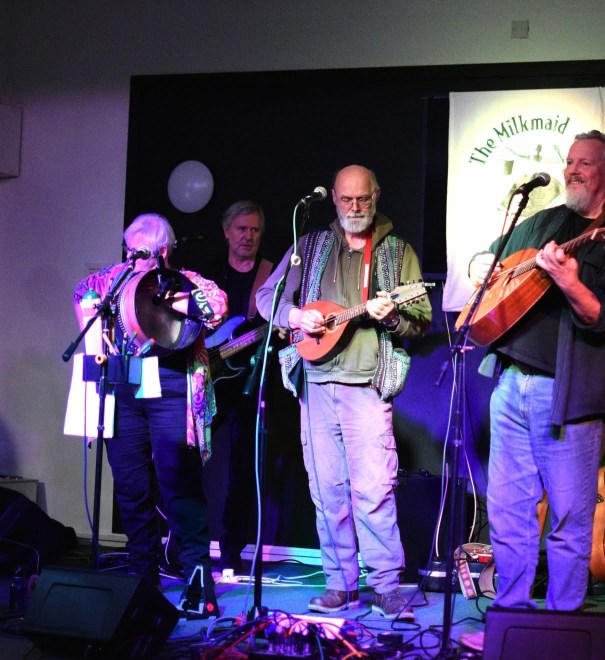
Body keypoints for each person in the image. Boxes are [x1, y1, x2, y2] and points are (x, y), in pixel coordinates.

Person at [464, 131, 605, 626]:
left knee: (569, 520)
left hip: (570, 396)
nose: (572, 170)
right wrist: (484, 266)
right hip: (511, 384)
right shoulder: (547, 220)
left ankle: (563, 626)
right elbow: (491, 259)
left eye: (584, 163)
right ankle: (510, 615)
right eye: (569, 161)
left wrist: (569, 280)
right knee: (508, 512)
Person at [255, 165, 431, 620]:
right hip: (314, 386)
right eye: (347, 199)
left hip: (367, 387)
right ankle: (340, 584)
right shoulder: (310, 245)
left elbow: (421, 320)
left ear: (377, 195)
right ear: (333, 198)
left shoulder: (396, 252)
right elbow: (267, 298)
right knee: (327, 492)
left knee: (374, 491)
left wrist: (392, 316)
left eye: (363, 199)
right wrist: (296, 317)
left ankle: (386, 586)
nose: (355, 208)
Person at [73, 213, 228, 618]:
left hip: (171, 386)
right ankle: (142, 575)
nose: (135, 258)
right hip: (124, 389)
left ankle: (197, 577)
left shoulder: (183, 279)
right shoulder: (113, 280)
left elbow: (217, 305)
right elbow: (83, 292)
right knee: (130, 485)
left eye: (144, 252)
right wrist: (97, 332)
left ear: (164, 252)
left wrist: (174, 299)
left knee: (178, 482)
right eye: (131, 251)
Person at [199, 200, 274, 577]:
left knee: (243, 469)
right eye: (242, 229)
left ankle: (232, 550)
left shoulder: (270, 275)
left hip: (250, 384)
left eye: (255, 230)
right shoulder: (207, 274)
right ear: (227, 231)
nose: (248, 236)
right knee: (191, 460)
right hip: (208, 380)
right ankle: (188, 545)